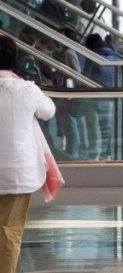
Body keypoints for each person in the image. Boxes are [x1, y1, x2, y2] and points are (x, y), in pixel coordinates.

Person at [0, 34, 57, 271]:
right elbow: (48, 111)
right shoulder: (26, 89)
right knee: (10, 231)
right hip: (17, 172)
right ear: (14, 60)